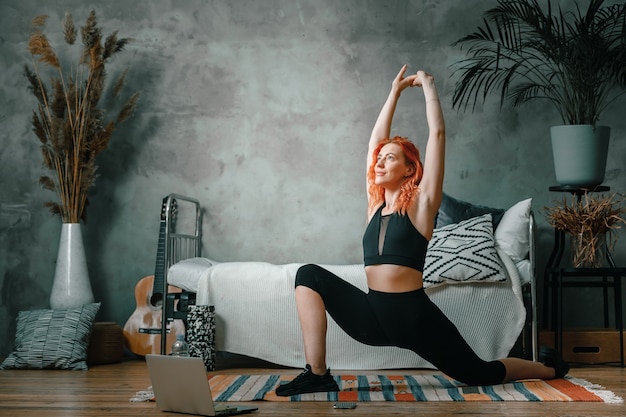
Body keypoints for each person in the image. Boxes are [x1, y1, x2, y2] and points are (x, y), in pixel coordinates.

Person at [275, 65, 569, 397]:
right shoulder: (375, 208)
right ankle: (317, 374)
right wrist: (394, 92)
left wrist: (429, 88)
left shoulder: (422, 205)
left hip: (413, 318)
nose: (380, 163)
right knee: (308, 275)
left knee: (478, 373)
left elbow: (438, 136)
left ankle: (546, 368)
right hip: (372, 316)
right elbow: (373, 145)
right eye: (379, 159)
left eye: (390, 158)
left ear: (410, 168)